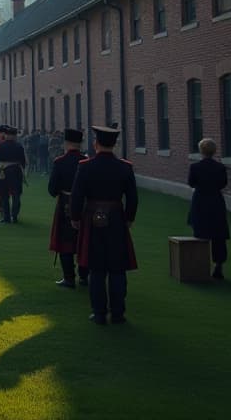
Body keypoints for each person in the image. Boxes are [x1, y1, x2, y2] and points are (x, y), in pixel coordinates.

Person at [70, 125, 138, 324]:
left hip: (91, 217)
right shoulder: (125, 167)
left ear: (96, 143)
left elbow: (77, 196)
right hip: (116, 217)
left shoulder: (85, 166)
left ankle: (99, 313)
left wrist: (75, 218)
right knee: (117, 268)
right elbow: (132, 198)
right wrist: (129, 218)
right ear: (115, 144)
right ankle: (118, 313)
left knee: (96, 268)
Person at [48, 129, 89, 287]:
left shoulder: (60, 162)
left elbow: (52, 189)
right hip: (85, 205)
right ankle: (84, 276)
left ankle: (69, 277)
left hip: (65, 202)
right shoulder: (86, 162)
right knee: (84, 240)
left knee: (65, 242)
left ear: (66, 143)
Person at [187, 138, 229, 279]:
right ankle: (218, 265)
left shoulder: (195, 167)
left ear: (201, 151)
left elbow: (191, 183)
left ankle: (199, 265)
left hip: (200, 202)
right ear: (214, 151)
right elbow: (223, 183)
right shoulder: (220, 167)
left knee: (199, 232)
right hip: (216, 202)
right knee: (218, 236)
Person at [0, 125, 26, 224]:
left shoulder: (1, 146)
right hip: (16, 171)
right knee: (16, 195)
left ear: (7, 135)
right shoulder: (19, 146)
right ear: (15, 136)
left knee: (4, 195)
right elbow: (23, 161)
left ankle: (6, 217)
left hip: (3, 171)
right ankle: (15, 216)